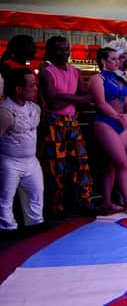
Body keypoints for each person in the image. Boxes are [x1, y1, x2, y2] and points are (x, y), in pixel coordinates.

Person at [38, 36, 94, 217]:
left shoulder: (76, 72)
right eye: (59, 49)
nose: (64, 53)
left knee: (82, 163)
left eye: (66, 49)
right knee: (56, 167)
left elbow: (86, 99)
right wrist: (74, 97)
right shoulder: (46, 71)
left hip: (72, 120)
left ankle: (85, 202)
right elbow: (53, 102)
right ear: (50, 51)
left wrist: (64, 96)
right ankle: (56, 207)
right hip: (54, 122)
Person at [88, 48, 127, 214]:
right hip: (105, 122)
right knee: (122, 162)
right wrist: (118, 116)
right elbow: (100, 103)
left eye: (118, 59)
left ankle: (107, 201)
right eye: (114, 59)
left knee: (112, 164)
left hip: (121, 122)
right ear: (103, 60)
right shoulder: (97, 79)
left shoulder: (119, 79)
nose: (117, 62)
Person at [0, 69, 45, 236]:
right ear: (19, 89)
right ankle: (7, 228)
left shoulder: (35, 108)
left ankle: (35, 223)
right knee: (5, 197)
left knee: (37, 192)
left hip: (31, 160)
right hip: (9, 160)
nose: (35, 88)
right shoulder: (5, 112)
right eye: (32, 85)